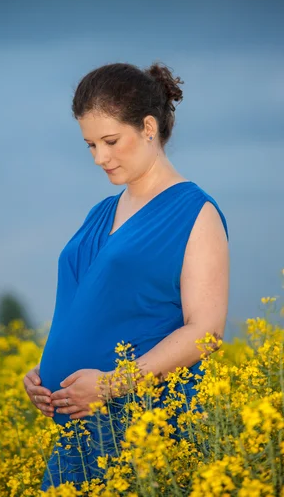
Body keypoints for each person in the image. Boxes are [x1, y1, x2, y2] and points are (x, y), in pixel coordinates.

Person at [23, 61, 230, 491]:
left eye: (111, 141)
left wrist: (112, 385)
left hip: (141, 426)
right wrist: (44, 373)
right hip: (79, 428)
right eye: (90, 145)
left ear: (149, 127)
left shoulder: (196, 213)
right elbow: (97, 306)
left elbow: (207, 330)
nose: (100, 158)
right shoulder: (100, 212)